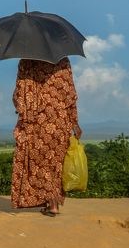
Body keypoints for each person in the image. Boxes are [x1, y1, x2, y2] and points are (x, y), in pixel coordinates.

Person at [10, 57, 82, 217]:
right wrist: (74, 122)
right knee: (56, 163)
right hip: (60, 120)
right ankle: (53, 204)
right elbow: (70, 95)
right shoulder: (63, 60)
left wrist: (20, 107)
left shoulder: (27, 61)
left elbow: (21, 92)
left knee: (39, 164)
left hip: (37, 121)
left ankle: (49, 202)